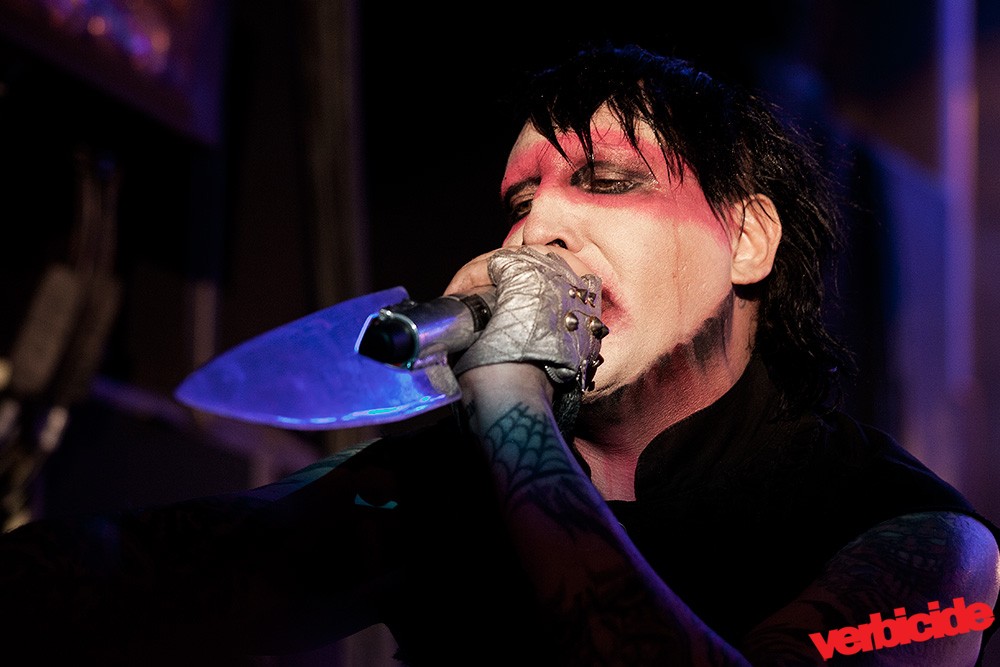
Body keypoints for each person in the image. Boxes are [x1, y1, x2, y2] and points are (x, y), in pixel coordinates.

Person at [1, 43, 998, 666]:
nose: (533, 235)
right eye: (521, 200)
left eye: (606, 180)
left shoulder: (919, 543)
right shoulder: (450, 488)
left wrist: (514, 406)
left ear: (746, 239)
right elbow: (145, 576)